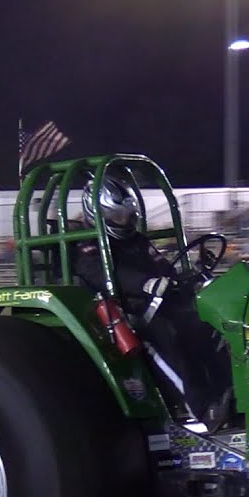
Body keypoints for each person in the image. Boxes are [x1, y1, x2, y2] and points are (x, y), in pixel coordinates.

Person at [72, 174, 235, 430]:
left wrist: (186, 277)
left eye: (127, 215)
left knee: (204, 325)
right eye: (117, 217)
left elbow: (162, 268)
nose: (124, 221)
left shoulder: (137, 240)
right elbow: (98, 273)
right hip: (123, 312)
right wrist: (144, 283)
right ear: (99, 214)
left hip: (155, 304)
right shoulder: (86, 244)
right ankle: (204, 409)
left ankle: (229, 393)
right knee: (164, 337)